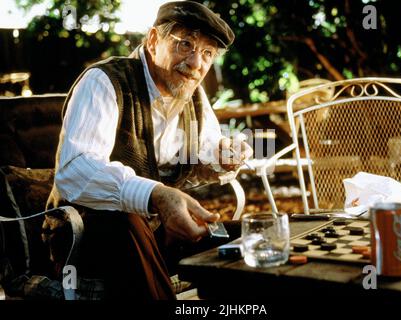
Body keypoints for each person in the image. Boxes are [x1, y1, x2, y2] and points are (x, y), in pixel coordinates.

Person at [45, 1, 252, 300]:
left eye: (207, 53)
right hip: (82, 239)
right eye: (185, 45)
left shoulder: (192, 93)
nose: (196, 64)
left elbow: (201, 154)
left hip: (159, 234)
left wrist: (221, 157)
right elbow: (75, 171)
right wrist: (156, 195)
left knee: (253, 241)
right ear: (154, 40)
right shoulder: (103, 82)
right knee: (126, 221)